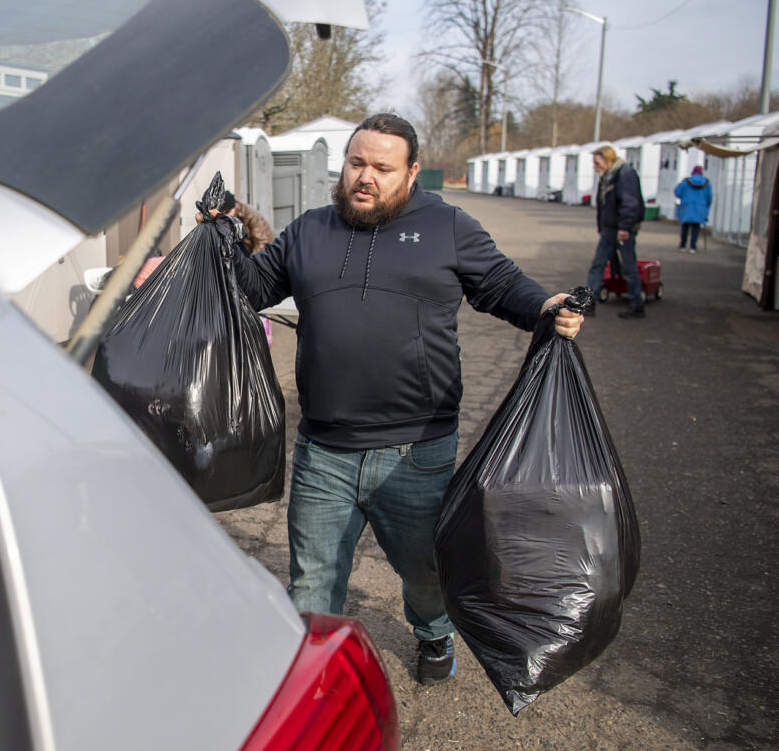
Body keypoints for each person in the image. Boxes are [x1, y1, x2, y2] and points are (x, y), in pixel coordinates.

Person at [205, 113, 583, 685]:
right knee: (313, 579)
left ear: (410, 173)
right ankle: (313, 683)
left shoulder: (447, 227)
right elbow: (252, 289)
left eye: (382, 168)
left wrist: (543, 307)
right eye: (357, 163)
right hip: (324, 449)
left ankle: (434, 633)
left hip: (417, 450)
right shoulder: (311, 230)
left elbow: (501, 285)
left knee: (425, 571)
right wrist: (221, 237)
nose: (366, 177)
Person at [584, 145, 646, 318]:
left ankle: (636, 303)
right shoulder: (607, 175)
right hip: (609, 229)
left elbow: (630, 202)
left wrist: (625, 227)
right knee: (598, 264)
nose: (595, 166)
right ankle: (589, 302)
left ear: (607, 159)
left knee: (628, 266)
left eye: (597, 162)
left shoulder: (624, 174)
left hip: (622, 229)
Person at [674, 164, 712, 253]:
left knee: (685, 226)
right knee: (696, 227)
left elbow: (677, 192)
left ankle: (683, 245)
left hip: (686, 207)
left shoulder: (686, 181)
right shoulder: (707, 183)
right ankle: (693, 247)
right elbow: (709, 197)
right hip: (700, 208)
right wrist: (706, 206)